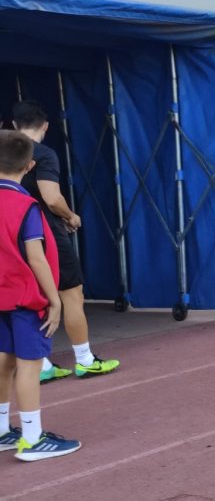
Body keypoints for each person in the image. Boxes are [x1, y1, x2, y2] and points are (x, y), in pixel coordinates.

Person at [13, 102, 120, 383]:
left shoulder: (6, 155)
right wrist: (71, 216)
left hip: (11, 235)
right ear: (45, 126)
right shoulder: (42, 154)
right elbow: (51, 198)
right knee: (71, 294)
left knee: (29, 299)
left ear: (13, 125)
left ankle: (42, 364)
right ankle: (85, 360)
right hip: (44, 233)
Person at [0, 130, 83, 461]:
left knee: (3, 361)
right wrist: (54, 299)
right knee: (29, 365)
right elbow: (36, 258)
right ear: (30, 166)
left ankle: (2, 430)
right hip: (24, 298)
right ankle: (32, 439)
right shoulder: (25, 206)